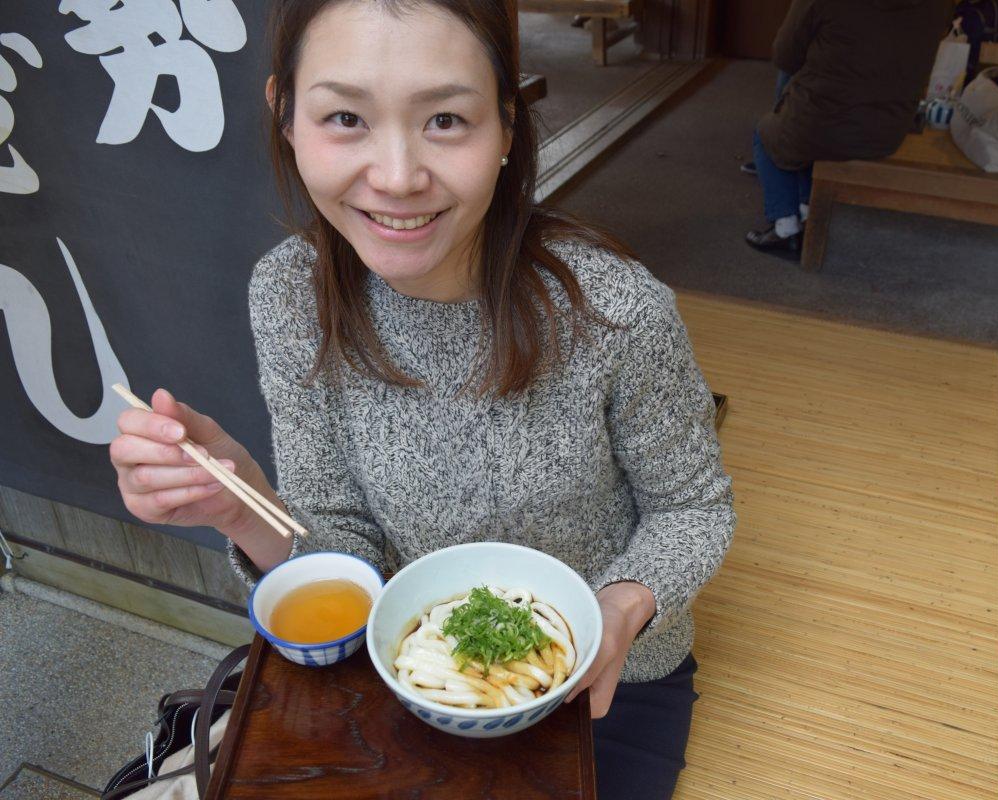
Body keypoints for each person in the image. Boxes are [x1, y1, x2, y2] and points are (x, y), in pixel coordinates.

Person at [107, 1, 735, 797]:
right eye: (344, 117)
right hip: (405, 662)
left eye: (445, 119)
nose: (398, 177)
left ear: (508, 127)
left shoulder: (616, 310)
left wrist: (619, 605)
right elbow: (342, 548)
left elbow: (695, 511)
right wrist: (238, 501)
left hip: (611, 682)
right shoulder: (290, 294)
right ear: (286, 118)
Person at [745, 0, 953, 258]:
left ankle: (786, 227)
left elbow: (785, 55)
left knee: (766, 135)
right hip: (888, 130)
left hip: (824, 124)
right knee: (802, 131)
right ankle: (807, 208)